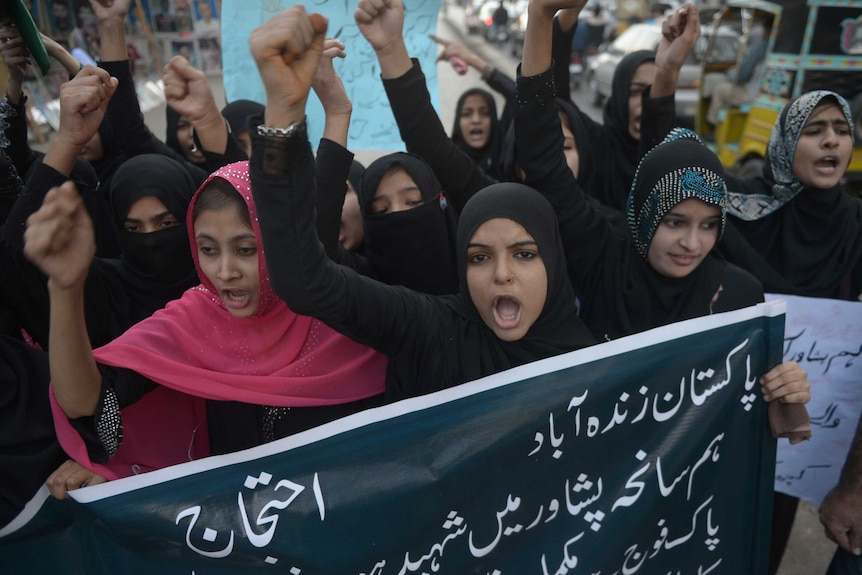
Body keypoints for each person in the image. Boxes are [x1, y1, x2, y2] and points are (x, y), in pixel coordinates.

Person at [249, 4, 596, 402]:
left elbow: (460, 149)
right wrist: (282, 122)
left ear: (554, 260)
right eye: (479, 257)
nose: (502, 275)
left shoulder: (606, 365)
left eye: (524, 254)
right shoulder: (433, 332)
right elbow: (302, 278)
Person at [24, 161, 388, 489]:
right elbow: (88, 405)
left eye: (246, 249)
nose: (224, 272)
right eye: (208, 250)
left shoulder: (345, 311)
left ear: (283, 242)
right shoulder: (193, 320)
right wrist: (65, 289)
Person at [720, 90, 860, 299]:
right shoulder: (741, 203)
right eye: (813, 131)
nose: (832, 140)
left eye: (842, 130)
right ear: (785, 143)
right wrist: (667, 76)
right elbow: (673, 169)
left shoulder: (856, 219)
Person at [705, 19, 772, 128]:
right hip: (765, 95)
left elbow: (741, 76)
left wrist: (730, 74)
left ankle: (713, 126)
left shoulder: (761, 48)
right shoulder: (781, 47)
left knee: (720, 89)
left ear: (768, 30)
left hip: (753, 95)